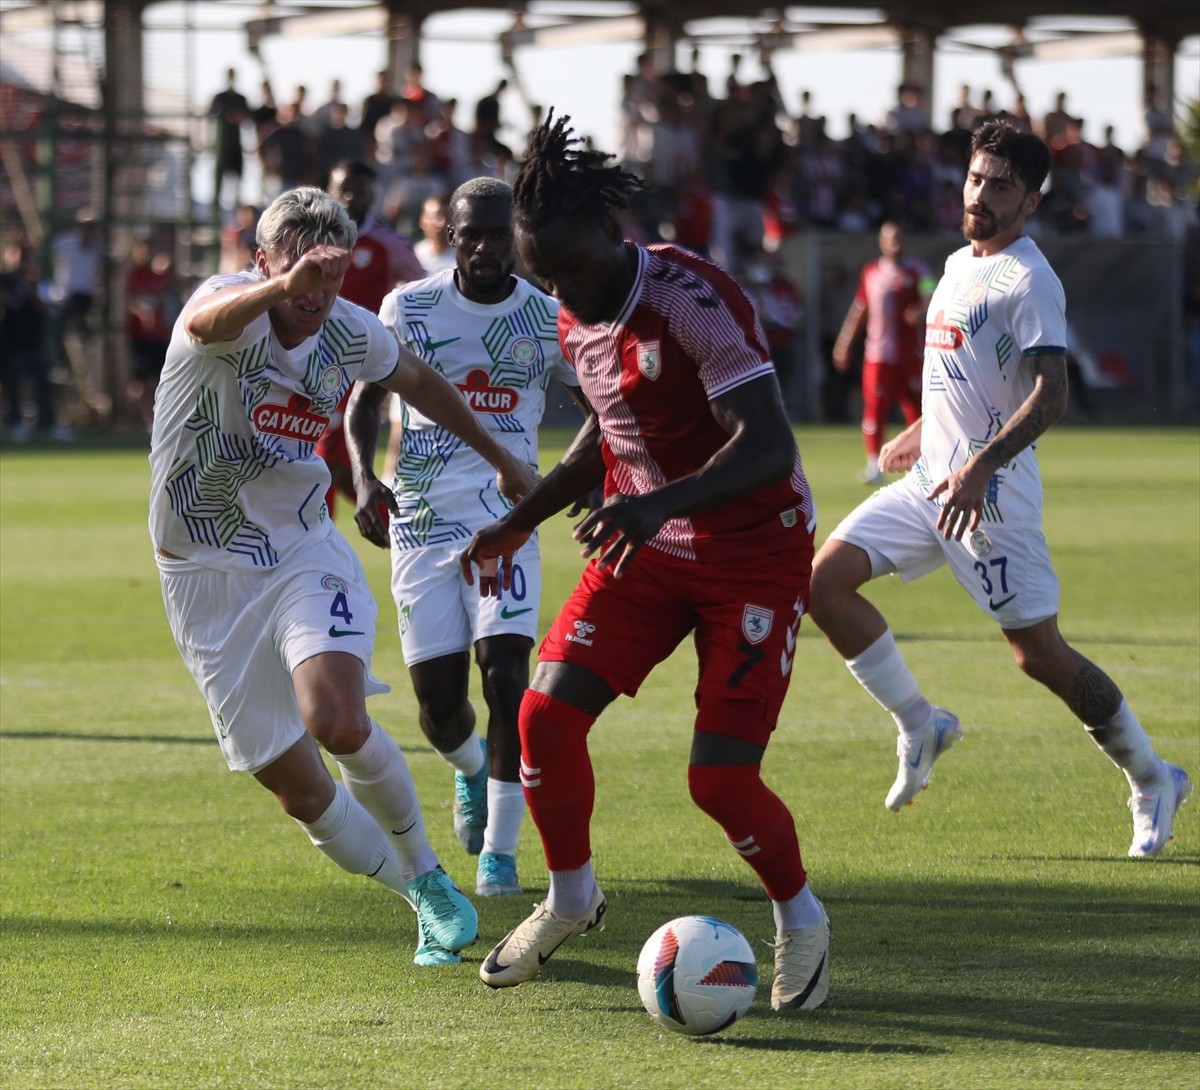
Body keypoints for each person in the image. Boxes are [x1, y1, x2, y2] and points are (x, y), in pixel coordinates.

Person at [458, 112, 830, 1011]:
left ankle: (803, 920)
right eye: (545, 276)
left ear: (610, 229)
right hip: (648, 545)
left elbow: (768, 444)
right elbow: (607, 431)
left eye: (570, 269)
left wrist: (655, 501)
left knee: (719, 780)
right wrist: (516, 523)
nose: (564, 292)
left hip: (753, 551)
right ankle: (570, 898)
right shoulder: (573, 309)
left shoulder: (692, 300)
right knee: (544, 718)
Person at [148, 187, 537, 967]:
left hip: (301, 549)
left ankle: (429, 876)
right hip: (201, 571)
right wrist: (279, 288)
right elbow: (202, 326)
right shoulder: (227, 303)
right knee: (300, 793)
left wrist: (502, 459)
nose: (316, 292)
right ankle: (413, 893)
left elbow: (420, 382)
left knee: (337, 720)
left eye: (330, 274)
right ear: (262, 262)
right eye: (299, 270)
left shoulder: (350, 330)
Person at [807, 121, 1192, 858]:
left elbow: (1051, 394)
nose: (981, 195)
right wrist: (922, 431)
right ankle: (921, 723)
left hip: (992, 499)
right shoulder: (957, 264)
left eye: (1001, 186)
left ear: (1031, 202)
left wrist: (981, 466)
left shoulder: (1030, 279)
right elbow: (972, 375)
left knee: (1038, 654)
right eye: (977, 178)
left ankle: (1152, 776)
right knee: (823, 584)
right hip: (932, 484)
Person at [346, 176, 585, 901]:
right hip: (420, 520)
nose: (485, 247)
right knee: (440, 707)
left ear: (517, 239)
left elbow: (600, 403)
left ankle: (500, 857)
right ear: (449, 237)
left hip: (507, 519)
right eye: (471, 234)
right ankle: (472, 767)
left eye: (497, 234)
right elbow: (365, 400)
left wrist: (594, 479)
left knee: (507, 676)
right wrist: (364, 477)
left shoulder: (547, 318)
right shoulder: (408, 307)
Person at [320, 159, 426, 518]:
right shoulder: (310, 238)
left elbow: (421, 290)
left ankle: (381, 525)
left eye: (360, 191)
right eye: (344, 191)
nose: (351, 198)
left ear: (372, 195)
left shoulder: (388, 243)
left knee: (327, 456)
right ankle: (392, 523)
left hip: (357, 364)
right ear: (330, 192)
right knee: (319, 458)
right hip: (309, 358)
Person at [832, 221, 932, 484]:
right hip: (878, 355)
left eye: (899, 238)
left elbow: (931, 295)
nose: (895, 243)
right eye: (890, 238)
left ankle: (922, 462)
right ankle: (874, 464)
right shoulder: (871, 272)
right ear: (881, 242)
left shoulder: (919, 271)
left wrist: (921, 310)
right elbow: (860, 310)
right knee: (875, 408)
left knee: (917, 410)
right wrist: (844, 343)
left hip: (912, 355)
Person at [125, 237, 173, 433]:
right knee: (141, 382)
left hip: (158, 336)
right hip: (140, 337)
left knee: (160, 379)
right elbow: (130, 300)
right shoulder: (134, 276)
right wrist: (142, 313)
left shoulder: (157, 276)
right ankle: (147, 420)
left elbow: (166, 290)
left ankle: (159, 419)